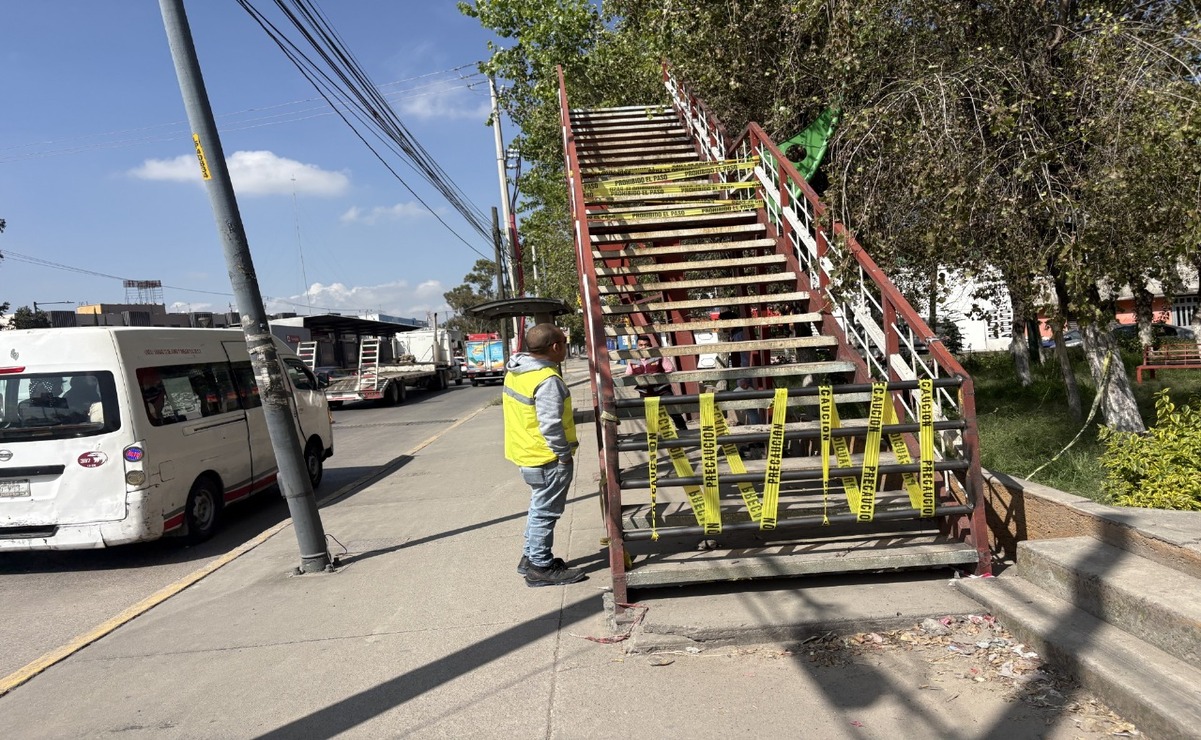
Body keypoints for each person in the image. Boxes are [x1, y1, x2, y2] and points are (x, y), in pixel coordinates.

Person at [504, 323, 587, 587]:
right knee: (545, 513)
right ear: (555, 346)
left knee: (538, 508)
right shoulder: (547, 380)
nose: (564, 346)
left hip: (526, 454)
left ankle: (530, 558)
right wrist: (564, 455)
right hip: (547, 458)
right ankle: (540, 567)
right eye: (564, 341)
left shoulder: (516, 372)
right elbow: (550, 424)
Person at [624, 335, 688, 431]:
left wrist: (659, 378)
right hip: (645, 392)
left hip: (662, 390)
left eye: (646, 345)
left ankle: (684, 431)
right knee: (650, 416)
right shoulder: (632, 360)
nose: (643, 347)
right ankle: (655, 437)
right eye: (641, 345)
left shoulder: (659, 356)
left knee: (674, 411)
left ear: (650, 345)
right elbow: (628, 374)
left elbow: (670, 369)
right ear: (637, 346)